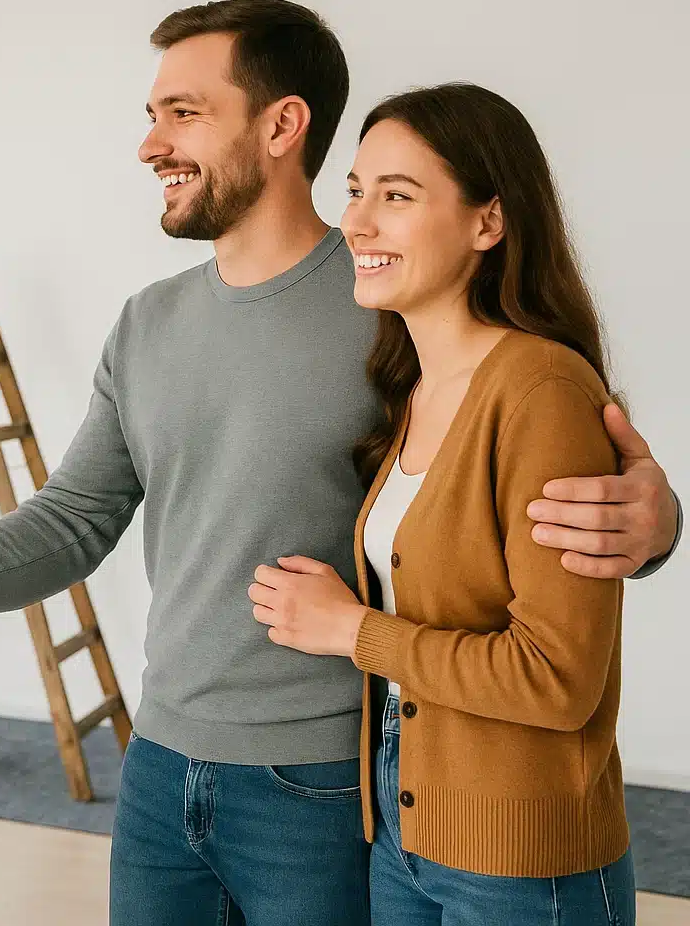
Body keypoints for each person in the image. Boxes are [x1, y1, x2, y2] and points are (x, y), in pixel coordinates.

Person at [0, 0, 683, 925]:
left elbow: (520, 465)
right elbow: (72, 520)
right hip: (157, 765)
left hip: (330, 781)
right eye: (151, 117)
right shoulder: (148, 323)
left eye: (183, 113)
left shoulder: (398, 310)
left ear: (282, 125)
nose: (151, 144)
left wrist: (652, 522)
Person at [250, 83, 637, 924]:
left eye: (397, 196)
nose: (356, 223)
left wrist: (350, 631)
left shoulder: (538, 388)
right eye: (356, 192)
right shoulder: (415, 390)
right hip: (405, 839)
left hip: (524, 868)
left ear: (487, 223)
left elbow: (558, 678)